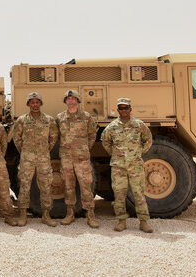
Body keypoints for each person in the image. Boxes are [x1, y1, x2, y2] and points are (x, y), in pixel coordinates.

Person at [101, 97, 154, 233]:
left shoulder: (139, 125)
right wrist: (114, 154)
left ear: (130, 109)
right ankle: (121, 221)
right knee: (119, 194)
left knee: (139, 193)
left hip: (135, 165)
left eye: (126, 107)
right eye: (121, 108)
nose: (123, 110)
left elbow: (148, 139)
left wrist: (139, 152)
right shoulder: (112, 127)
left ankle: (143, 222)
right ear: (118, 110)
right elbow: (105, 141)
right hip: (118, 167)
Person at [10, 91, 58, 227]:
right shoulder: (22, 120)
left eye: (37, 102)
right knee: (24, 186)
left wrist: (45, 150)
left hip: (43, 158)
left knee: (46, 186)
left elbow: (53, 137)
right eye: (32, 102)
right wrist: (25, 151)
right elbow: (17, 138)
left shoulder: (49, 120)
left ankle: (46, 215)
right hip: (27, 158)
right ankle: (23, 215)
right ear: (28, 104)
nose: (35, 105)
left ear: (40, 104)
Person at [56, 90, 99, 228]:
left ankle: (90, 214)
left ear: (78, 100)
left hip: (82, 158)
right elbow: (57, 136)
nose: (70, 100)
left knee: (86, 186)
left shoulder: (86, 117)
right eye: (68, 98)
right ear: (65, 101)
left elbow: (92, 135)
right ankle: (70, 213)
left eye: (73, 98)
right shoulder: (60, 117)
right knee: (68, 186)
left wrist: (84, 148)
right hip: (66, 158)